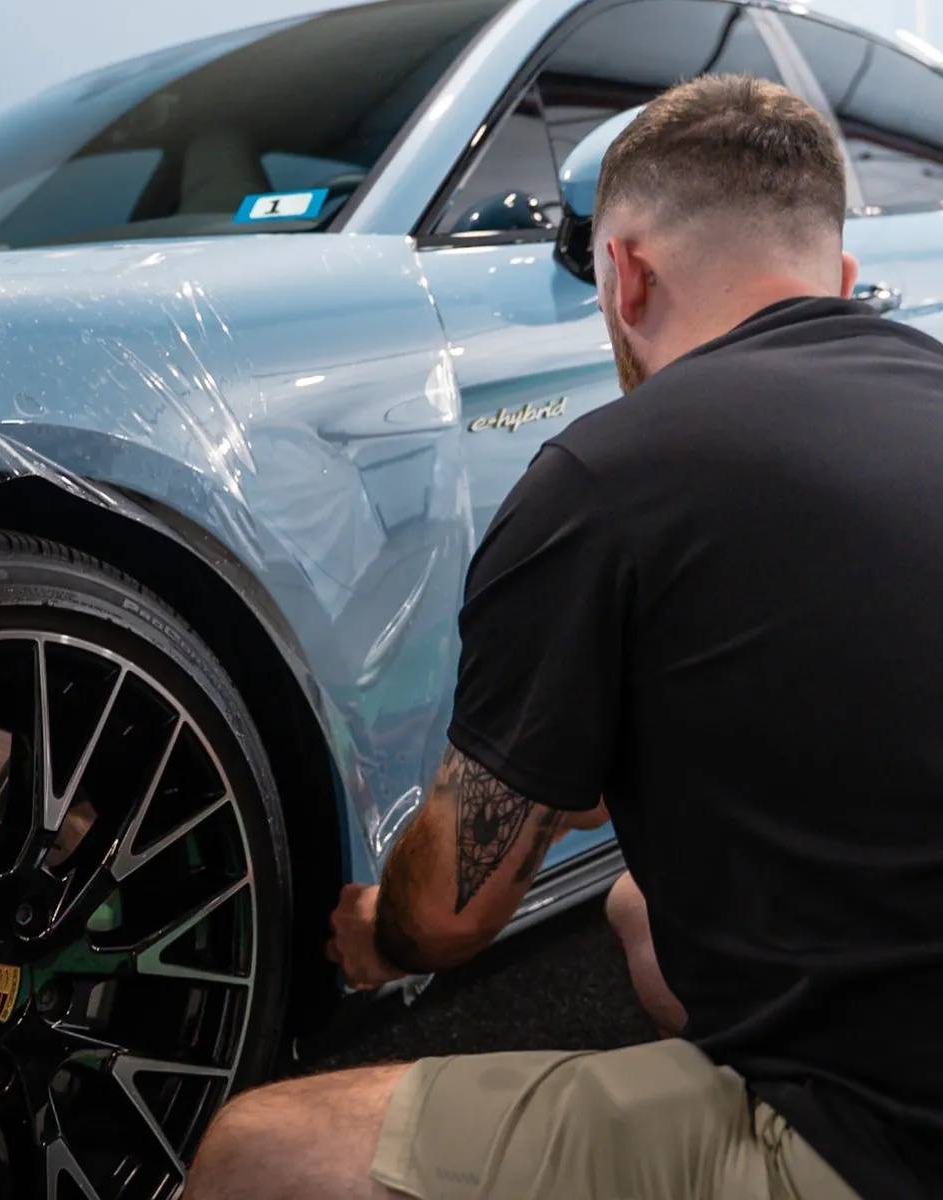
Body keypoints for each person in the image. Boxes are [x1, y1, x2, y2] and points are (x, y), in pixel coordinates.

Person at [182, 74, 943, 1200]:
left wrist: (375, 939)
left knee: (258, 1153)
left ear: (621, 271)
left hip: (890, 1138)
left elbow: (450, 918)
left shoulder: (608, 474)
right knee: (635, 904)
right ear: (836, 282)